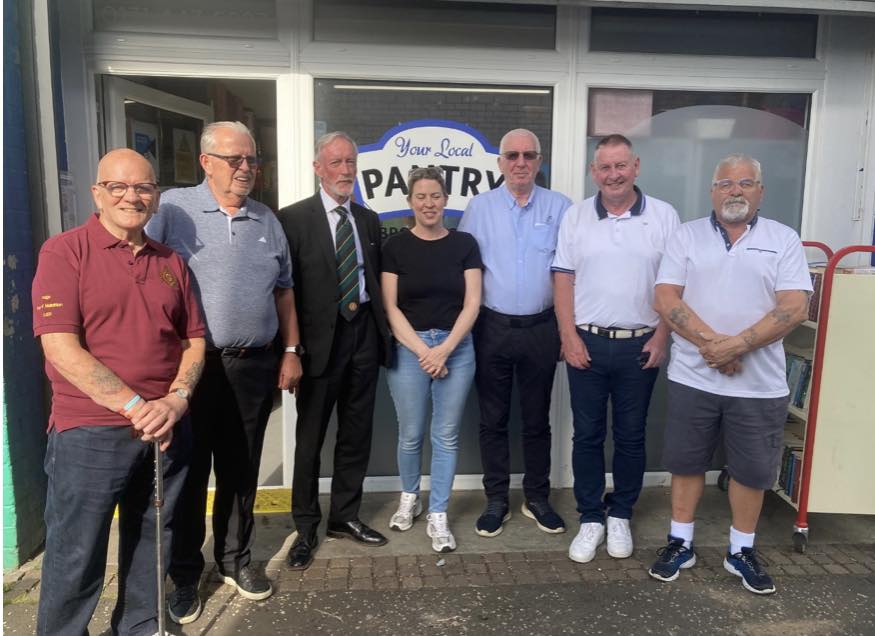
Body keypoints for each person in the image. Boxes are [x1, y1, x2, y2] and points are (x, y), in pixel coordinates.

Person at [32, 148, 206, 635]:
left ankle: (139, 628)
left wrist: (175, 400)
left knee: (153, 543)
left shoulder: (171, 260)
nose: (132, 196)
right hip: (89, 430)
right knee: (76, 552)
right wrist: (134, 406)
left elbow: (194, 341)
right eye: (119, 187)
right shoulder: (65, 251)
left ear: (156, 196)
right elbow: (60, 347)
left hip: (166, 429)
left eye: (144, 187)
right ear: (98, 193)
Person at [147, 121, 302, 622]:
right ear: (206, 161)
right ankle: (186, 576)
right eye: (235, 159)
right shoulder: (173, 210)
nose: (246, 169)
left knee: (241, 469)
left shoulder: (266, 220)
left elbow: (284, 290)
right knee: (188, 475)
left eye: (252, 160)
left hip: (253, 366)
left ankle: (236, 560)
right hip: (193, 368)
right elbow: (142, 270)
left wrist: (291, 348)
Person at [648, 154, 812, 595]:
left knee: (752, 470)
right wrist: (713, 346)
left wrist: (737, 345)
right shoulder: (686, 236)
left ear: (760, 191)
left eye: (745, 183)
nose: (734, 191)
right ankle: (679, 542)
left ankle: (741, 550)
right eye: (725, 183)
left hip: (759, 384)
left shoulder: (784, 239)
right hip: (693, 376)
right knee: (686, 463)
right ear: (712, 191)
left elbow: (796, 306)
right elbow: (665, 297)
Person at [552, 135, 680, 563]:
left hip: (640, 345)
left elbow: (674, 285)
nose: (613, 174)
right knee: (586, 434)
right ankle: (591, 516)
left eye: (620, 165)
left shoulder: (664, 217)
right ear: (594, 172)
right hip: (586, 342)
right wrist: (568, 336)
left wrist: (663, 337)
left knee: (630, 435)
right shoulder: (576, 217)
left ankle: (621, 512)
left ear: (636, 166)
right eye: (604, 167)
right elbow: (563, 279)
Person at [278, 131, 392, 570]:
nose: (346, 171)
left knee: (356, 435)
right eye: (337, 162)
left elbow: (375, 279)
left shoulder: (367, 219)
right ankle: (305, 527)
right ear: (317, 168)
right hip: (317, 346)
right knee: (310, 440)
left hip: (362, 335)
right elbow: (285, 290)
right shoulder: (293, 220)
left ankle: (345, 517)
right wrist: (289, 350)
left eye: (351, 162)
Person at [458, 128, 572, 537]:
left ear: (539, 162)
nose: (520, 162)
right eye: (512, 155)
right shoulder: (479, 207)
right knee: (493, 420)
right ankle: (496, 501)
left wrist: (566, 330)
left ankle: (537, 498)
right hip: (493, 327)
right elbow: (466, 270)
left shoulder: (561, 207)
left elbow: (571, 272)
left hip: (543, 328)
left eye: (528, 155)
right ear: (500, 162)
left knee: (537, 420)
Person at [382, 167, 482, 553]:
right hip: (410, 349)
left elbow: (473, 301)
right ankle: (410, 496)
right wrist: (425, 351)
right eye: (421, 196)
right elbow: (390, 308)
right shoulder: (394, 247)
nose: (429, 203)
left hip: (457, 348)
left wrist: (445, 349)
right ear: (410, 201)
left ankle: (438, 512)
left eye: (435, 196)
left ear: (445, 200)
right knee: (410, 434)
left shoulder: (465, 244)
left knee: (446, 435)